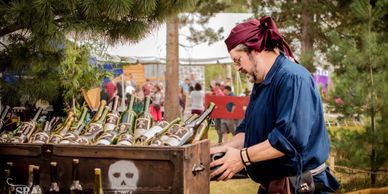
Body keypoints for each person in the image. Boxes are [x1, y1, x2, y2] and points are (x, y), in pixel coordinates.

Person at [210, 16, 339, 194]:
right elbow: (248, 128)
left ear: (255, 49)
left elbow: (288, 141)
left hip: (301, 187)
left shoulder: (292, 78)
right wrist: (229, 147)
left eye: (238, 60)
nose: (237, 68)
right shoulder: (260, 82)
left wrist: (242, 157)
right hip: (274, 187)